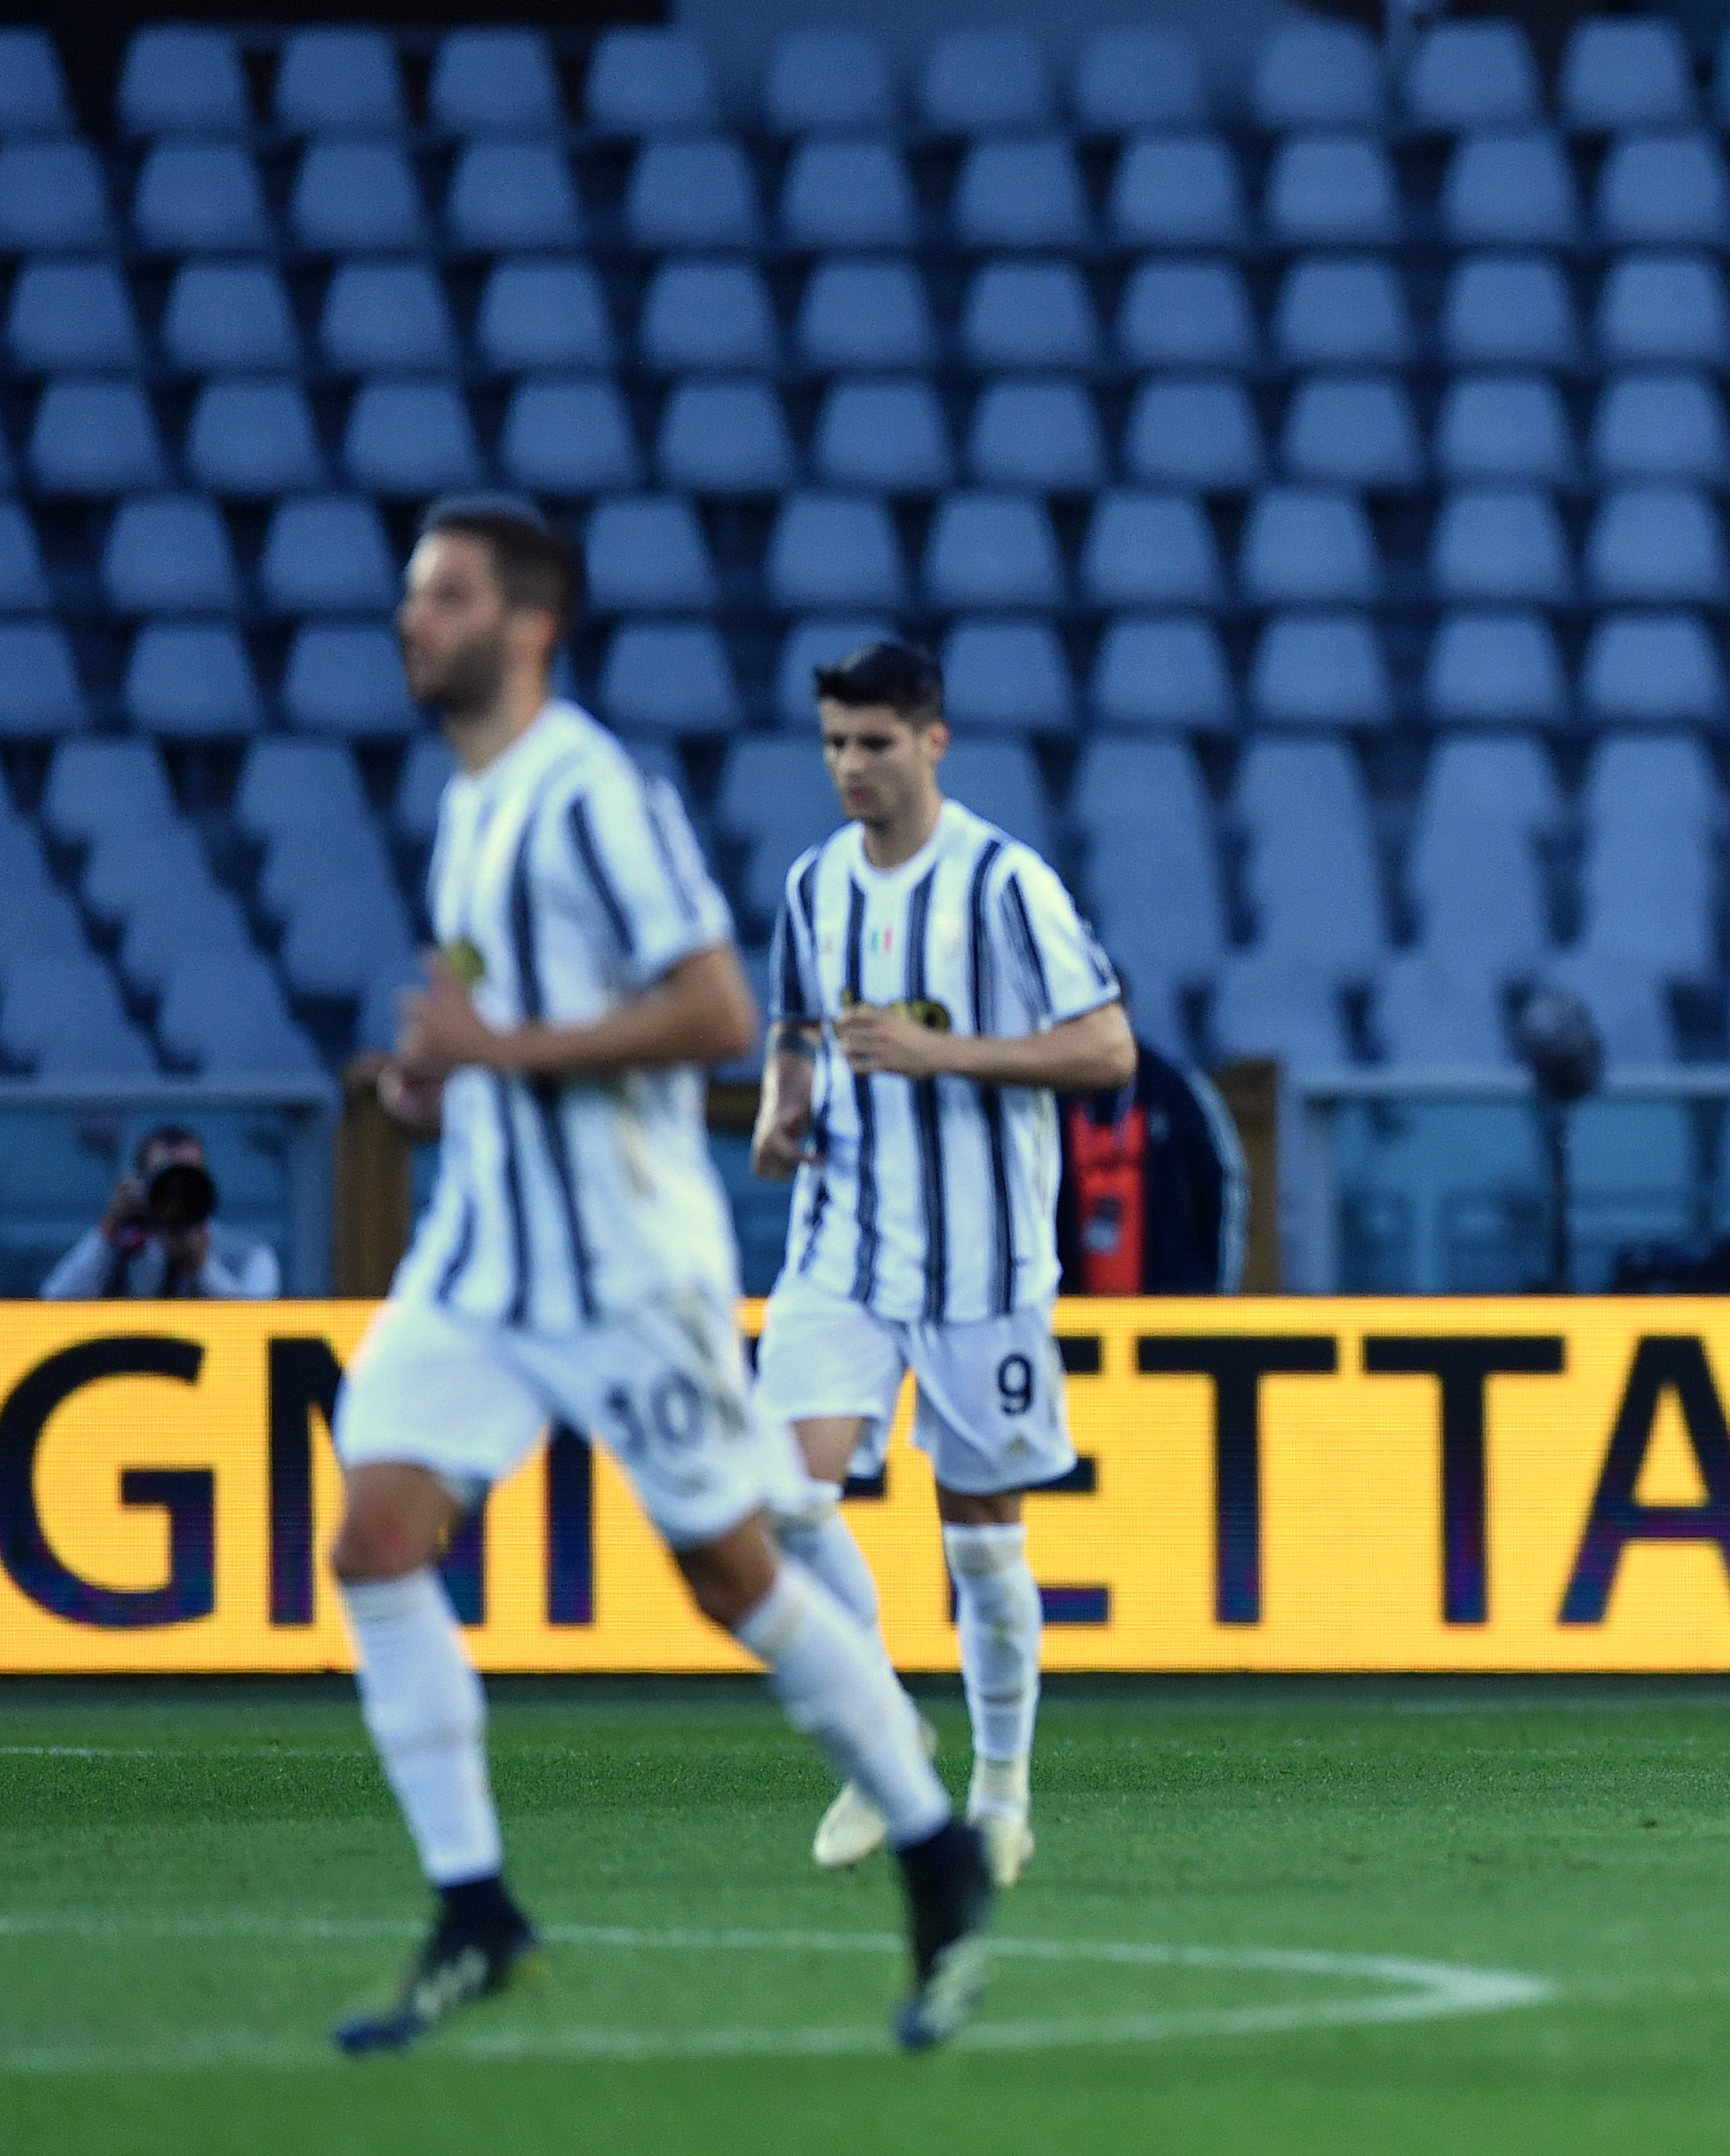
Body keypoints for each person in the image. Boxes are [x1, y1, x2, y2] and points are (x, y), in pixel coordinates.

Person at [325, 500, 993, 2056]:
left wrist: (504, 1052)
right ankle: (476, 1907)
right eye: (413, 595)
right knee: (370, 1538)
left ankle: (930, 1843)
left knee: (731, 1576)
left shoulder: (588, 793)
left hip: (625, 1266)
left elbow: (709, 1008)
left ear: (527, 624)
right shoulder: (469, 802)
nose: (412, 619)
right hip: (485, 1258)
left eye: (445, 596)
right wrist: (447, 1084)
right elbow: (511, 1013)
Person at [750, 639, 1137, 1891]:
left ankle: (1003, 1791)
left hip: (984, 1267)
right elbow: (798, 1029)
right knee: (777, 1502)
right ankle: (884, 1742)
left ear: (931, 741)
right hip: (841, 1252)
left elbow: (1108, 1050)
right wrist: (782, 1104)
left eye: (872, 742)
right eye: (832, 743)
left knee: (982, 1536)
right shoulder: (812, 886)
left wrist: (947, 1055)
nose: (849, 766)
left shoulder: (1005, 884)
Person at [40, 1126, 280, 1299]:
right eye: (165, 1179)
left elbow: (255, 1326)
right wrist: (110, 1230)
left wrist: (201, 1266)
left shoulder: (249, 1255)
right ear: (139, 1183)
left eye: (187, 1178)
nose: (176, 1193)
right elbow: (53, 1302)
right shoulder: (119, 1250)